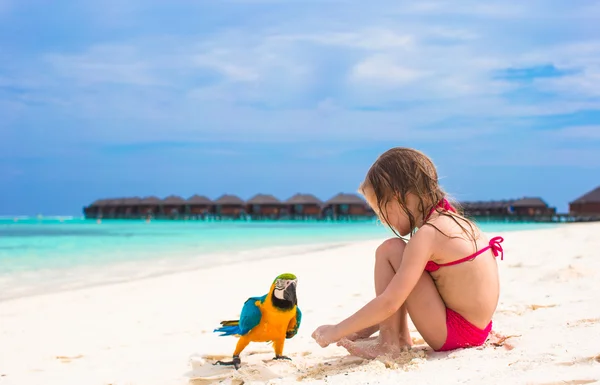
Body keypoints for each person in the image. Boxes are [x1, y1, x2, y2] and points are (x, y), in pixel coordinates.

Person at [311, 147, 504, 358]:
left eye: (380, 210)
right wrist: (361, 326)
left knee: (390, 250)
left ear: (398, 198)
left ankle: (390, 341)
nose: (382, 220)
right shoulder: (454, 221)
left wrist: (335, 331)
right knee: (397, 254)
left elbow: (390, 302)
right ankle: (392, 333)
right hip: (478, 329)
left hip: (455, 334)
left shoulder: (428, 235)